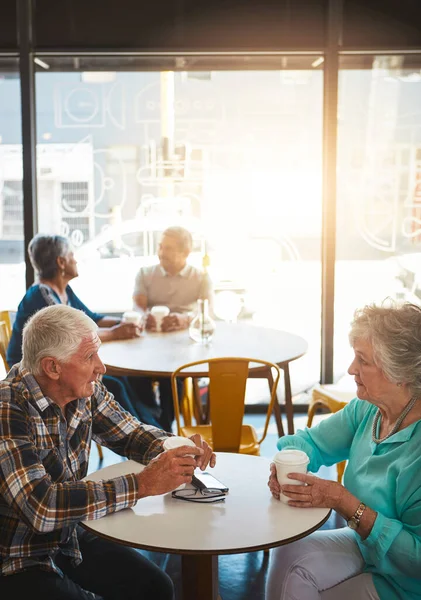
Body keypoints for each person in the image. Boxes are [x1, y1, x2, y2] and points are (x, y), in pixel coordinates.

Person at [0, 304, 216, 599]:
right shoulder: (7, 410)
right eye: (90, 357)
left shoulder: (83, 389)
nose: (101, 366)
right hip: (16, 560)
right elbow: (42, 507)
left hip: (67, 536)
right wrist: (142, 484)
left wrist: (176, 448)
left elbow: (131, 434)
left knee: (156, 587)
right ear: (52, 367)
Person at [266, 301, 421, 600]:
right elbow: (310, 442)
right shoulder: (368, 409)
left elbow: (416, 559)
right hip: (368, 546)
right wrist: (287, 466)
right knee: (289, 554)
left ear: (399, 372)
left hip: (406, 583)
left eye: (362, 360)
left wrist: (344, 501)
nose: (351, 369)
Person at [6, 233, 159, 426]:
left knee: (126, 378)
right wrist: (116, 332)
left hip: (60, 358)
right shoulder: (42, 294)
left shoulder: (63, 290)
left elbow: (92, 319)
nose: (76, 259)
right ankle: (147, 425)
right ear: (61, 262)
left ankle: (151, 424)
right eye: (72, 254)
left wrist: (129, 323)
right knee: (115, 385)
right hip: (35, 368)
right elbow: (72, 337)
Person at [131, 226, 213, 431]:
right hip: (151, 344)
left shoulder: (201, 277)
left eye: (168, 248)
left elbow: (208, 312)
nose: (161, 252)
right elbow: (138, 306)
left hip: (183, 347)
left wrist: (185, 319)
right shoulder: (145, 274)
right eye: (160, 246)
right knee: (133, 375)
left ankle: (161, 429)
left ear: (185, 253)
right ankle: (152, 422)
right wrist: (144, 317)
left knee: (172, 378)